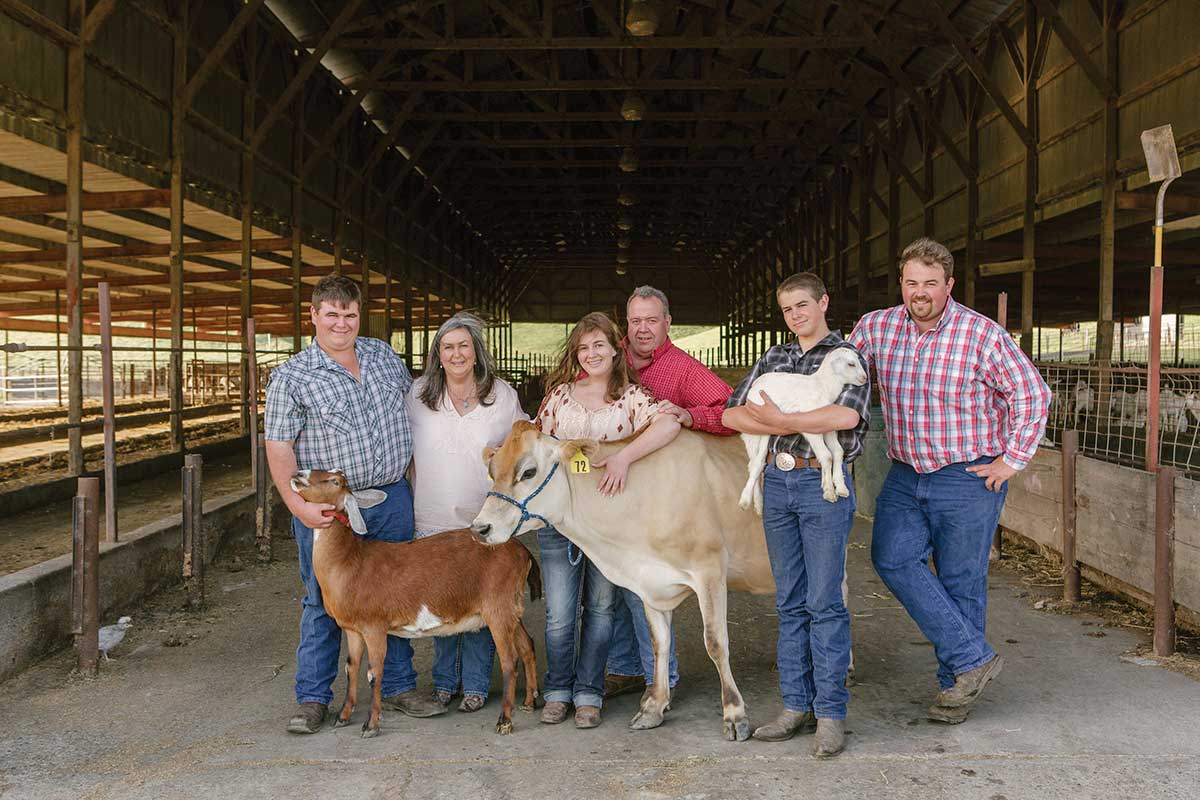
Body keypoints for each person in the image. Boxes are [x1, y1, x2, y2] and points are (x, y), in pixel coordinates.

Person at [847, 237, 1051, 725]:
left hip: (968, 475)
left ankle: (955, 688)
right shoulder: (875, 329)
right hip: (905, 470)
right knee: (891, 557)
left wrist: (1010, 461)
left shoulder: (981, 335)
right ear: (902, 282)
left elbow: (1033, 395)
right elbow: (840, 374)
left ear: (949, 285)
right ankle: (973, 660)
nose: (920, 292)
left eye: (931, 283)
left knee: (962, 580)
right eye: (912, 282)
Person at [264, 273, 446, 734]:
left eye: (349, 313)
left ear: (359, 315)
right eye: (332, 314)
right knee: (323, 600)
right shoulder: (292, 376)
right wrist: (298, 507)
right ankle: (313, 697)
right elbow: (279, 448)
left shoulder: (383, 356)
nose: (341, 323)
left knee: (396, 594)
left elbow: (415, 412)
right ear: (314, 316)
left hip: (390, 496)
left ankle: (400, 686)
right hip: (331, 511)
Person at [722, 272, 870, 758]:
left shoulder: (846, 357)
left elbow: (845, 417)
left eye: (803, 305)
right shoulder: (775, 358)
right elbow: (731, 413)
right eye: (788, 309)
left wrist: (782, 420)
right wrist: (774, 421)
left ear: (823, 302)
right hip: (778, 480)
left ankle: (830, 712)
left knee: (825, 599)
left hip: (821, 484)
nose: (796, 316)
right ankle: (795, 706)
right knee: (789, 599)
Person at [535, 311, 681, 729]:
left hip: (609, 527)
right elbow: (536, 443)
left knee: (601, 609)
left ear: (616, 349)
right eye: (583, 347)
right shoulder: (559, 397)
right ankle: (558, 689)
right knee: (560, 613)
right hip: (559, 523)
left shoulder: (633, 397)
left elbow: (669, 422)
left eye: (599, 345)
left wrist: (624, 456)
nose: (591, 354)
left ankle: (589, 692)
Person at [603, 286, 738, 701]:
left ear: (667, 323)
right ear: (626, 323)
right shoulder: (608, 358)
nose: (643, 329)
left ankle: (658, 676)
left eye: (651, 320)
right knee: (608, 582)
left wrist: (691, 414)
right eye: (635, 321)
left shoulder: (683, 369)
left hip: (660, 500)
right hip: (609, 485)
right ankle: (622, 666)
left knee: (642, 585)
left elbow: (731, 410)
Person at [405, 312, 528, 713]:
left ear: (476, 352)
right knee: (440, 599)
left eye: (463, 345)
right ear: (437, 356)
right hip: (432, 515)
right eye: (447, 347)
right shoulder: (418, 395)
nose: (456, 353)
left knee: (482, 599)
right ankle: (444, 681)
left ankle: (476, 683)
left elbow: (521, 443)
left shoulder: (501, 396)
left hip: (483, 517)